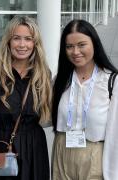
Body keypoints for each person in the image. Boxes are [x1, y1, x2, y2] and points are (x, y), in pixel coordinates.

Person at [0, 15, 52, 180]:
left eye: (28, 39)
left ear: (35, 43)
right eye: (16, 38)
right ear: (8, 41)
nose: (22, 45)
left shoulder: (43, 74)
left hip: (33, 147)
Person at [51, 19, 118, 180]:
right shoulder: (60, 80)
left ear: (94, 44)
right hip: (62, 153)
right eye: (69, 46)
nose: (75, 52)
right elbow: (45, 118)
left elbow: (115, 134)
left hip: (94, 156)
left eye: (81, 45)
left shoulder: (111, 82)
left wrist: (112, 174)